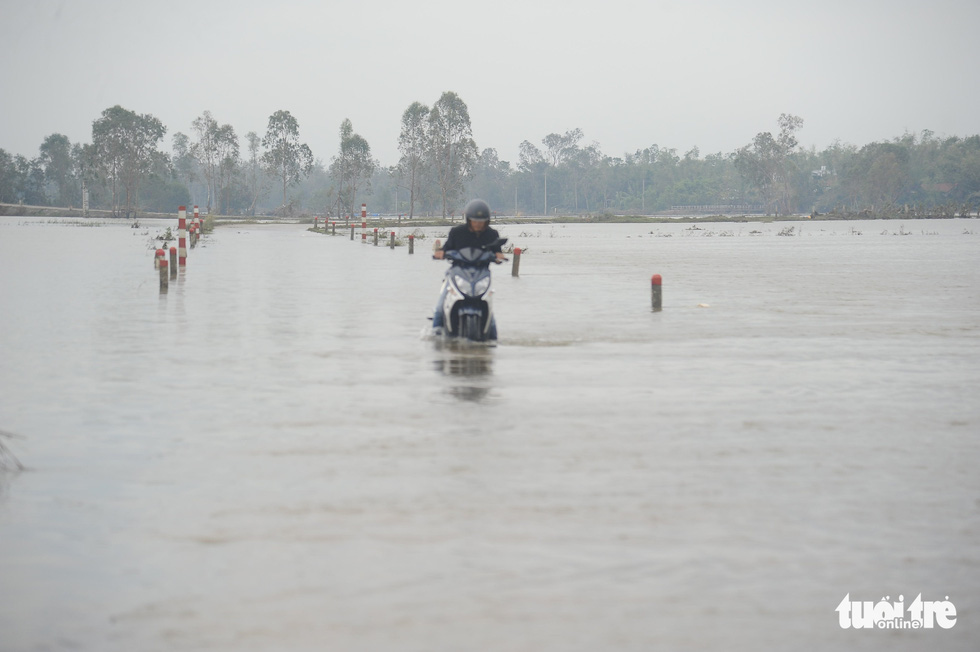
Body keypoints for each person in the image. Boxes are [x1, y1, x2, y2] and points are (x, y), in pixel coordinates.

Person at [432, 199, 504, 332]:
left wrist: (499, 256)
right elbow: (446, 248)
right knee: (439, 306)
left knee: (490, 312)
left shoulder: (492, 234)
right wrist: (440, 253)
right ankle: (435, 332)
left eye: (481, 221)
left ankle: (492, 340)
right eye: (475, 220)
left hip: (481, 274)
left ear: (487, 221)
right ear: (468, 219)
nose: (478, 224)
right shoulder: (457, 232)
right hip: (457, 272)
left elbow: (498, 252)